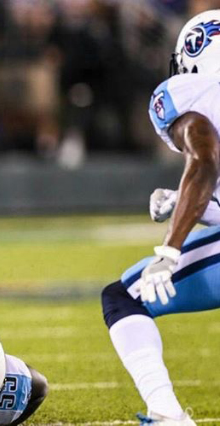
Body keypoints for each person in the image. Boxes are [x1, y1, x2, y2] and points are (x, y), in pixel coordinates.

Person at [101, 9, 220, 425]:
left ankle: (166, 413)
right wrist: (187, 200)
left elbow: (205, 160)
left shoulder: (188, 91)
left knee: (123, 297)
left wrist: (170, 249)